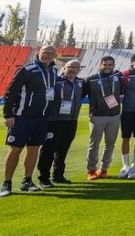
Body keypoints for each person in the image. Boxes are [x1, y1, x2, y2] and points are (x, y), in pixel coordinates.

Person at [0, 45, 58, 197]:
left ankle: (27, 181)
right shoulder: (26, 70)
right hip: (22, 116)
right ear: (39, 53)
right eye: (44, 52)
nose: (47, 55)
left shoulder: (54, 71)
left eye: (50, 53)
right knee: (15, 149)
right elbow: (10, 92)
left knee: (34, 149)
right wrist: (8, 115)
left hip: (42, 118)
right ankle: (6, 183)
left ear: (55, 55)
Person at [37, 59, 83, 188]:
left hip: (71, 121)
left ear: (79, 69)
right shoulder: (56, 82)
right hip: (54, 121)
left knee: (63, 150)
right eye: (70, 67)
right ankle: (43, 177)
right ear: (64, 68)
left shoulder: (80, 83)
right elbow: (47, 98)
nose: (72, 69)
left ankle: (58, 175)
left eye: (75, 67)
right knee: (48, 150)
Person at [82, 55, 124, 180]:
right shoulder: (91, 80)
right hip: (97, 117)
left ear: (114, 66)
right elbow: (81, 94)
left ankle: (104, 169)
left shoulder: (117, 77)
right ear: (100, 65)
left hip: (115, 116)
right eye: (105, 65)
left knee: (110, 144)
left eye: (110, 65)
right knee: (94, 144)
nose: (107, 67)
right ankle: (91, 170)